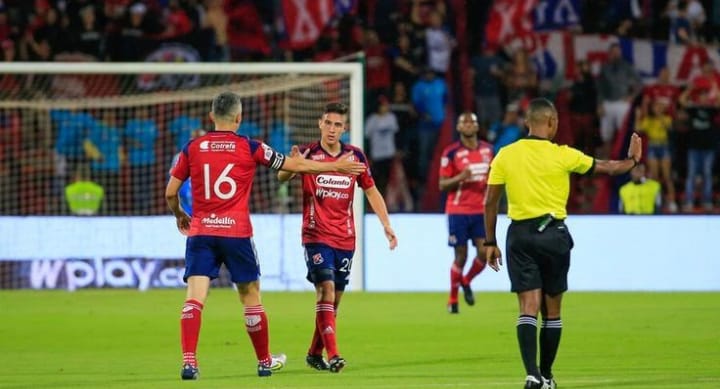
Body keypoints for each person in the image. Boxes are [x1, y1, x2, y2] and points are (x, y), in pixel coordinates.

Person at [165, 92, 367, 380]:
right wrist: (337, 165)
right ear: (239, 118)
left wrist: (180, 214)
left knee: (194, 299)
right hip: (236, 234)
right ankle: (263, 361)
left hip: (201, 232)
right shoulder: (251, 147)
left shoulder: (192, 148)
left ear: (211, 117)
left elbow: (170, 192)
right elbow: (295, 166)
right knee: (250, 296)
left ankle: (189, 363)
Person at [483, 98, 643, 389]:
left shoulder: (505, 155)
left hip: (519, 235)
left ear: (527, 122)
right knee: (552, 311)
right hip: (553, 234)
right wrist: (632, 160)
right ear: (552, 123)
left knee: (527, 307)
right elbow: (607, 167)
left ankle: (532, 373)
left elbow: (490, 202)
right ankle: (546, 375)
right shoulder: (564, 155)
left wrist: (490, 241)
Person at [277, 102, 398, 373]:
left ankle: (313, 353)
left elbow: (371, 190)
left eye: (338, 125)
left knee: (334, 301)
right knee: (326, 291)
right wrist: (294, 161)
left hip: (345, 237)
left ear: (346, 128)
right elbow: (282, 176)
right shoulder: (309, 152)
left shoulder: (355, 156)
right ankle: (334, 356)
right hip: (315, 234)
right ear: (320, 123)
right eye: (328, 123)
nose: (332, 129)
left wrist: (386, 224)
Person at [438, 112, 493, 314]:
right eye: (464, 122)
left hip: (480, 210)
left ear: (478, 127)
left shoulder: (489, 150)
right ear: (459, 128)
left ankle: (467, 281)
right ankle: (453, 300)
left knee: (484, 253)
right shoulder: (451, 153)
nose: (469, 125)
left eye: (472, 122)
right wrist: (461, 176)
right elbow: (442, 184)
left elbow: (495, 176)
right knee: (461, 256)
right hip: (458, 211)